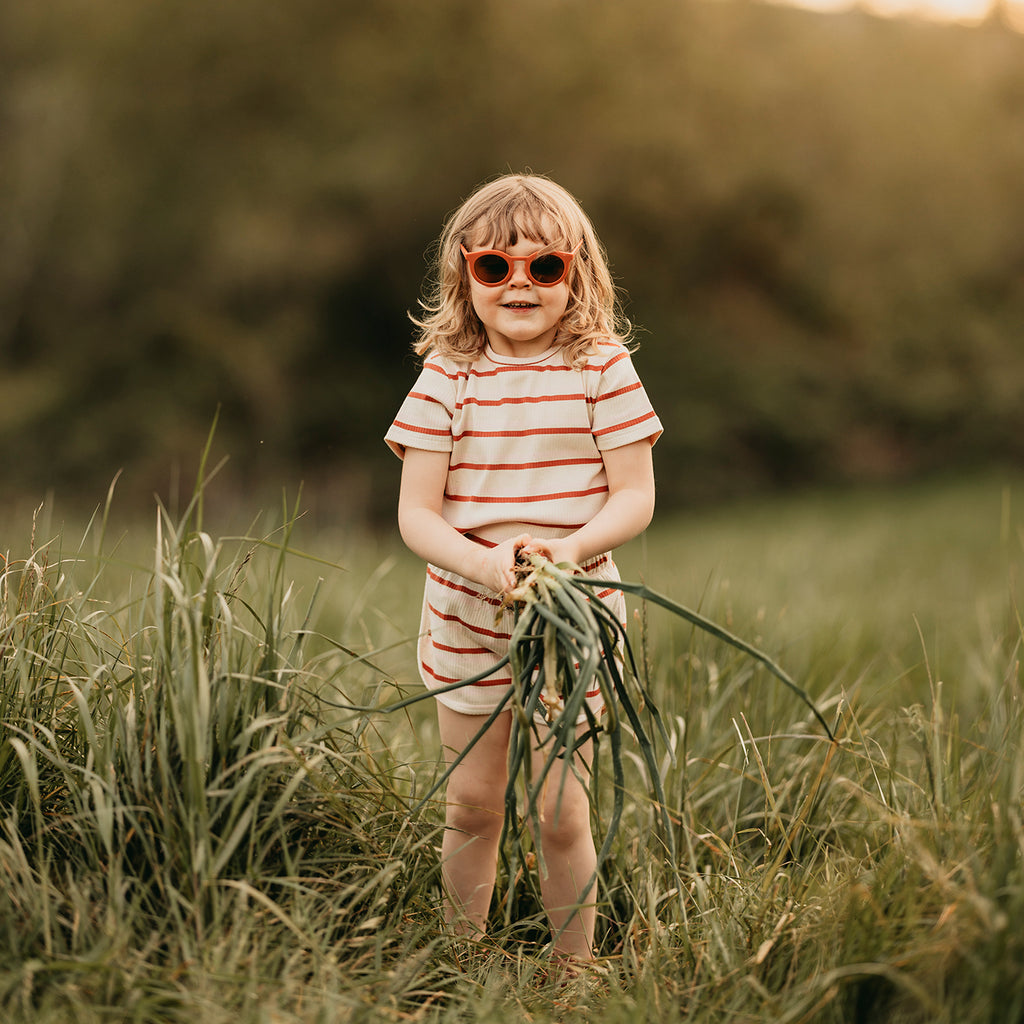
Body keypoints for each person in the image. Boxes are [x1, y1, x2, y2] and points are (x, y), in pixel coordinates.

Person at [385, 173, 662, 963]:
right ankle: (461, 961)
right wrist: (482, 564)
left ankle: (572, 978)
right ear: (463, 274)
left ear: (576, 275)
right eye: (494, 267)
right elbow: (415, 515)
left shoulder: (601, 368)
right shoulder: (447, 375)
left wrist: (570, 552)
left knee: (560, 812)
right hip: (466, 620)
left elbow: (634, 496)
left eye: (544, 267)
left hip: (570, 623)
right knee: (472, 804)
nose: (519, 285)